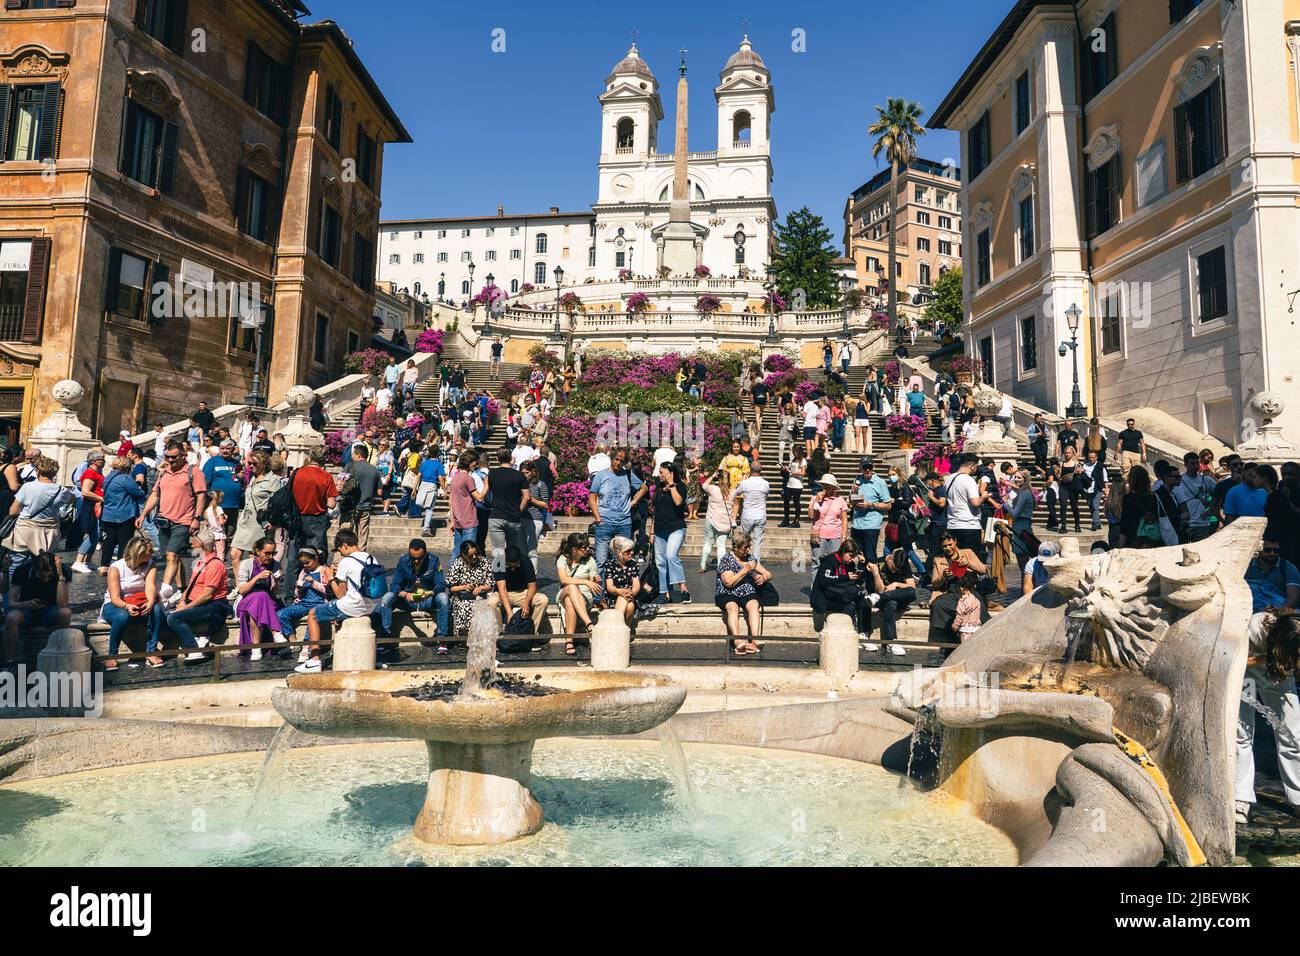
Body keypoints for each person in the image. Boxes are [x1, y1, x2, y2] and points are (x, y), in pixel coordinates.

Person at [1235, 609, 1300, 824]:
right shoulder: (1255, 628)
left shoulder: (1293, 634)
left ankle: (1298, 798)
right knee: (1241, 734)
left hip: (1277, 670)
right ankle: (1240, 799)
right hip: (1247, 670)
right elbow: (1236, 661)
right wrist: (1268, 658)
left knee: (1293, 734)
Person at [298, 529, 379, 673]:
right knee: (337, 616)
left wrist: (330, 577)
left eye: (340, 550)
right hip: (370, 606)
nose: (340, 553)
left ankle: (315, 661)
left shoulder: (346, 561)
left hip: (353, 606)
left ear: (345, 545)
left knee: (312, 614)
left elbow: (340, 595)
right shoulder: (371, 558)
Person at [137, 441, 207, 595]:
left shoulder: (193, 472)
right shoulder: (164, 472)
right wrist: (143, 514)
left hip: (183, 521)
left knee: (171, 555)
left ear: (183, 455)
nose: (170, 460)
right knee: (175, 557)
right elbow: (155, 495)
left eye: (173, 457)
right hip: (163, 521)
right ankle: (182, 589)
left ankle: (164, 592)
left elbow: (201, 496)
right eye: (167, 457)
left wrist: (197, 518)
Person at [154, 527, 231, 665]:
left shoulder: (215, 565)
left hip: (213, 607)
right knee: (162, 614)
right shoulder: (200, 562)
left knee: (174, 618)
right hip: (197, 603)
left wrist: (186, 607)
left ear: (201, 545)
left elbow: (207, 595)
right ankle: (177, 645)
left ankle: (193, 649)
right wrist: (182, 601)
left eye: (194, 542)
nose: (191, 545)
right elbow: (191, 586)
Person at [380, 538, 449, 654]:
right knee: (387, 598)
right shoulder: (403, 561)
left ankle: (442, 640)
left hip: (427, 600)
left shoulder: (434, 560)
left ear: (425, 555)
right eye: (413, 558)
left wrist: (430, 592)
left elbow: (441, 584)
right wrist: (405, 594)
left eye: (419, 558)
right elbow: (394, 585)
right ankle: (386, 639)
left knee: (443, 598)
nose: (416, 561)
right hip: (408, 601)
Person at [99, 537, 159, 670]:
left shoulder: (151, 564)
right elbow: (114, 597)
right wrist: (126, 606)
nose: (152, 554)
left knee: (156, 610)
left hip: (140, 600)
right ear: (139, 553)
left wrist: (150, 602)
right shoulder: (116, 568)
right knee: (122, 616)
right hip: (117, 604)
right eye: (149, 552)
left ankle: (151, 651)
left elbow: (150, 586)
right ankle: (112, 655)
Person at [2, 551, 71, 663]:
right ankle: (10, 661)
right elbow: (11, 602)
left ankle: (61, 656)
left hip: (49, 611)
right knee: (11, 617)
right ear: (34, 569)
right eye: (42, 576)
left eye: (49, 576)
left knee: (65, 613)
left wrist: (60, 578)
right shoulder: (22, 571)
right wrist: (27, 604)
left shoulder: (63, 572)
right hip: (27, 611)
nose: (46, 580)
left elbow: (62, 604)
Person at [927, 533, 988, 645]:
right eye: (945, 546)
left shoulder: (967, 553)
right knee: (938, 605)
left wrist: (969, 563)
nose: (948, 548)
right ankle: (947, 636)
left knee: (977, 603)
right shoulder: (938, 560)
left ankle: (984, 631)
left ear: (955, 541)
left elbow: (983, 569)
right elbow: (935, 583)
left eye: (950, 544)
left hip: (969, 590)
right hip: (952, 591)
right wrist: (943, 576)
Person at [715, 529, 770, 656]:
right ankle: (738, 641)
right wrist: (745, 570)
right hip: (727, 593)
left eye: (749, 547)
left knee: (754, 604)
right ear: (735, 547)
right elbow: (728, 582)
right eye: (745, 547)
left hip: (745, 592)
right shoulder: (726, 560)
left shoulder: (750, 559)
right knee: (732, 607)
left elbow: (768, 573)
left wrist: (764, 577)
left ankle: (755, 639)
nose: (748, 550)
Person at [589, 447, 645, 569]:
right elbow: (592, 498)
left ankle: (617, 587)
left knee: (622, 562)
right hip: (604, 523)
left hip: (624, 524)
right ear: (611, 458)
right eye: (616, 459)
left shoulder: (628, 475)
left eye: (622, 461)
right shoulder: (601, 475)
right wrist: (598, 518)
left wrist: (633, 502)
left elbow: (643, 488)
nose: (618, 463)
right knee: (601, 561)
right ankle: (602, 588)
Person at [234, 537, 287, 661]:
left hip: (266, 601)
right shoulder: (247, 564)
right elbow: (241, 590)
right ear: (258, 551)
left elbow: (272, 591)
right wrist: (256, 578)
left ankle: (256, 648)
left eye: (273, 553)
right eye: (267, 553)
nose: (270, 556)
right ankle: (276, 632)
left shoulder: (276, 565)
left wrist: (276, 581)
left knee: (260, 600)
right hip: (246, 599)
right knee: (260, 597)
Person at [483, 446, 530, 570]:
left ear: (497, 459)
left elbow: (485, 491)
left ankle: (499, 578)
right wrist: (519, 511)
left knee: (498, 551)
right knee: (512, 550)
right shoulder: (520, 475)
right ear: (511, 458)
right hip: (513, 516)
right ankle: (513, 577)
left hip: (496, 515)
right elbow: (526, 497)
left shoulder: (492, 473)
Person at [96, 456, 146, 569]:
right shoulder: (125, 479)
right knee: (125, 542)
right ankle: (121, 567)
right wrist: (139, 485)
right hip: (125, 514)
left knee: (109, 540)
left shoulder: (108, 477)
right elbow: (139, 493)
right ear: (126, 467)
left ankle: (104, 565)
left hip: (108, 514)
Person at [277, 547, 330, 651]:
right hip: (304, 603)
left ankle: (307, 645)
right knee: (281, 614)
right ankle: (293, 641)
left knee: (312, 620)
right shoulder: (303, 572)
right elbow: (298, 593)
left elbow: (327, 590)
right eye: (303, 563)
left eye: (308, 562)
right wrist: (298, 589)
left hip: (318, 603)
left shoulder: (323, 570)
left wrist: (314, 583)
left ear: (316, 558)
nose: (306, 565)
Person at [652, 459, 690, 603]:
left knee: (671, 556)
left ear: (670, 473)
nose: (659, 475)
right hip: (659, 529)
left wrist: (671, 484)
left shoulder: (680, 486)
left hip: (676, 527)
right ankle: (664, 592)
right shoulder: (658, 487)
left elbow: (678, 502)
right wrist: (651, 532)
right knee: (660, 562)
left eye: (662, 472)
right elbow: (655, 512)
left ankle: (683, 588)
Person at [490, 544, 548, 636]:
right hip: (505, 593)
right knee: (492, 602)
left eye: (516, 566)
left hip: (522, 592)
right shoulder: (499, 562)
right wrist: (509, 614)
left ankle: (531, 633)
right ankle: (499, 633)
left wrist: (526, 602)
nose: (513, 569)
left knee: (543, 600)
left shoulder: (525, 561)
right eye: (509, 566)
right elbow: (502, 589)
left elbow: (532, 585)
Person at [556, 533, 600, 653]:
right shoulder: (562, 559)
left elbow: (593, 585)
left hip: (585, 596)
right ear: (574, 549)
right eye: (584, 548)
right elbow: (564, 579)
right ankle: (589, 624)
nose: (587, 550)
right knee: (571, 587)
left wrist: (594, 581)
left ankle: (569, 642)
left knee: (570, 602)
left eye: (587, 547)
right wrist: (585, 582)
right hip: (564, 591)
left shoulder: (590, 560)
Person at [867, 548, 915, 654]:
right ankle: (892, 641)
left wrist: (896, 584)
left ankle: (880, 598)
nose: (894, 571)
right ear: (889, 558)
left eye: (897, 569)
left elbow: (912, 587)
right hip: (882, 599)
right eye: (893, 567)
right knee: (891, 603)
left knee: (912, 592)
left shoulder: (903, 564)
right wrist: (875, 573)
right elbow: (880, 590)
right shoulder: (877, 564)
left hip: (886, 597)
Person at [943, 454, 987, 560]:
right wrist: (983, 497)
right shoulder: (968, 480)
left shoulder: (949, 479)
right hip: (969, 526)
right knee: (970, 561)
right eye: (976, 466)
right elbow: (975, 502)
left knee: (955, 559)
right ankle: (969, 577)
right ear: (972, 466)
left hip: (952, 524)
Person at [602, 535, 650, 629]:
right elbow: (610, 587)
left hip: (630, 596)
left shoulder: (633, 564)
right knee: (628, 604)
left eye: (632, 550)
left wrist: (631, 592)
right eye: (628, 551)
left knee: (630, 604)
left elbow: (636, 585)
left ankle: (618, 631)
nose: (632, 553)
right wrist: (620, 592)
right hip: (613, 596)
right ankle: (621, 632)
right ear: (619, 552)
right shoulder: (610, 564)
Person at [70, 449, 106, 573]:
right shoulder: (90, 473)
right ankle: (78, 560)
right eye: (102, 459)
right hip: (91, 506)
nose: (105, 461)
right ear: (95, 461)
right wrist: (101, 498)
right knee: (94, 533)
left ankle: (88, 560)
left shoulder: (97, 472)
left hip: (96, 505)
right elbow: (85, 491)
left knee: (96, 533)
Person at [202, 438, 244, 540]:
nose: (225, 451)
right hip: (217, 504)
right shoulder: (212, 461)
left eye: (228, 448)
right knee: (215, 533)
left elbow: (243, 481)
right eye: (222, 448)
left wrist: (243, 477)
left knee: (230, 533)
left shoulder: (237, 463)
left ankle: (223, 555)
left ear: (233, 449)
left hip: (233, 505)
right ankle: (215, 555)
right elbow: (204, 481)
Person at [1244, 537, 1300, 614]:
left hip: (1277, 609)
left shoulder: (1287, 567)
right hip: (1248, 609)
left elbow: (1294, 596)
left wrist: (1280, 613)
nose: (1272, 553)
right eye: (1267, 550)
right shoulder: (1246, 565)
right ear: (1259, 548)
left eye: (1276, 550)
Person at [850, 458, 891, 561]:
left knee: (870, 556)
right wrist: (854, 493)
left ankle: (873, 577)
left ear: (873, 467)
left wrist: (871, 505)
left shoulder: (880, 482)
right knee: (860, 557)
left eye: (870, 467)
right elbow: (851, 502)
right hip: (857, 524)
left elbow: (888, 505)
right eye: (865, 467)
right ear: (861, 468)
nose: (867, 470)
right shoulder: (857, 480)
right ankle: (862, 577)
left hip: (871, 525)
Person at [1173, 451, 1217, 542]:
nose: (1196, 466)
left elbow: (1219, 494)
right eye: (1192, 464)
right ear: (1185, 464)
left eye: (1197, 463)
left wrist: (1210, 511)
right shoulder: (1179, 481)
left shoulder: (1206, 480)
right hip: (1185, 524)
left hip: (1202, 524)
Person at [731, 460, 770, 563]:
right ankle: (756, 564)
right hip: (760, 514)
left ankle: (741, 561)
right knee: (757, 542)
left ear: (749, 470)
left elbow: (735, 494)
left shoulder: (745, 483)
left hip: (748, 515)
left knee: (743, 539)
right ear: (760, 470)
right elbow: (765, 496)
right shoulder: (765, 484)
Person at [521, 459, 550, 573]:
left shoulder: (540, 484)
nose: (525, 475)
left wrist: (531, 499)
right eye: (522, 473)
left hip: (535, 519)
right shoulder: (521, 484)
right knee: (522, 550)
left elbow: (545, 504)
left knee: (531, 550)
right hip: (522, 518)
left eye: (527, 473)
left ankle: (532, 577)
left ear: (533, 472)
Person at [779, 446, 807, 528]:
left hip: (797, 485)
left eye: (794, 451)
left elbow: (803, 473)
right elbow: (792, 469)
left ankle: (796, 520)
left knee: (796, 503)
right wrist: (786, 468)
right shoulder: (794, 460)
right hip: (789, 484)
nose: (793, 453)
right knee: (786, 501)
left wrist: (793, 472)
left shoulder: (803, 460)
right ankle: (786, 519)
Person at [952, 574, 983, 641]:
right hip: (976, 628)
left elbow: (960, 615)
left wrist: (955, 626)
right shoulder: (976, 600)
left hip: (965, 630)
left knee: (964, 648)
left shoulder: (962, 601)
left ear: (961, 588)